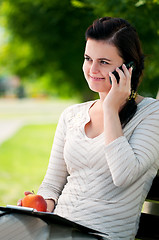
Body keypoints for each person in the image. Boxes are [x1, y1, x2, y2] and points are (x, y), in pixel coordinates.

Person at [18, 17, 159, 240]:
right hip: (56, 228)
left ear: (128, 68)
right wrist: (43, 202)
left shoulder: (152, 114)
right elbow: (52, 183)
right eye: (88, 58)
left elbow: (124, 175)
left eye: (103, 62)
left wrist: (111, 109)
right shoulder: (72, 115)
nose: (92, 69)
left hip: (101, 234)